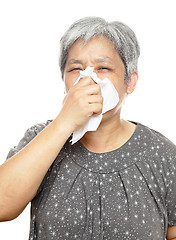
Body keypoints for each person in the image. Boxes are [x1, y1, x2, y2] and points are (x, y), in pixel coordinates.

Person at [0, 16, 176, 240]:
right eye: (76, 68)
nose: (89, 78)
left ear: (130, 81)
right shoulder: (39, 138)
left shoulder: (162, 155)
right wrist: (64, 122)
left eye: (103, 67)